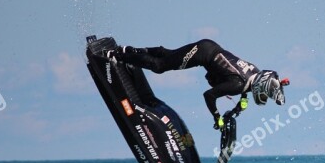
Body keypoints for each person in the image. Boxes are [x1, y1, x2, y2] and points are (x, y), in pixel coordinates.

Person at [107, 39, 286, 130]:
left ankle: (131, 51)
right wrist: (217, 117)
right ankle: (117, 55)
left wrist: (237, 109)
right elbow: (209, 95)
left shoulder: (254, 73)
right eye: (265, 94)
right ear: (262, 85)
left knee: (168, 55)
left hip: (209, 47)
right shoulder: (239, 85)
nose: (263, 98)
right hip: (203, 53)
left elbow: (243, 84)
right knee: (159, 66)